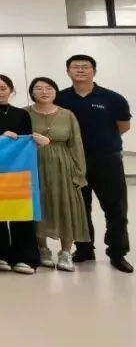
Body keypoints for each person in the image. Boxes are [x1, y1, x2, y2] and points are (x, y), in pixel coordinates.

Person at [56, 54, 132, 272]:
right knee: (80, 208)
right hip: (73, 160)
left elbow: (123, 126)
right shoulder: (61, 98)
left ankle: (117, 253)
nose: (80, 70)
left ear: (94, 71)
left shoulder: (112, 98)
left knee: (116, 208)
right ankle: (84, 249)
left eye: (85, 67)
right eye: (75, 67)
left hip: (107, 159)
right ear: (68, 72)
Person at [28, 77, 89, 272]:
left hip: (63, 166)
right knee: (39, 206)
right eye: (39, 88)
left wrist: (79, 173)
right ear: (32, 92)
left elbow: (76, 144)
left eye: (49, 88)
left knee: (66, 207)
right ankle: (42, 250)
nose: (44, 92)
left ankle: (65, 253)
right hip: (34, 165)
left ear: (55, 91)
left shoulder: (67, 115)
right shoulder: (24, 113)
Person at [0, 75, 38, 274]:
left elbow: (27, 140)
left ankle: (24, 256)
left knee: (20, 209)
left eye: (3, 88)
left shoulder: (21, 114)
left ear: (11, 91)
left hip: (17, 168)